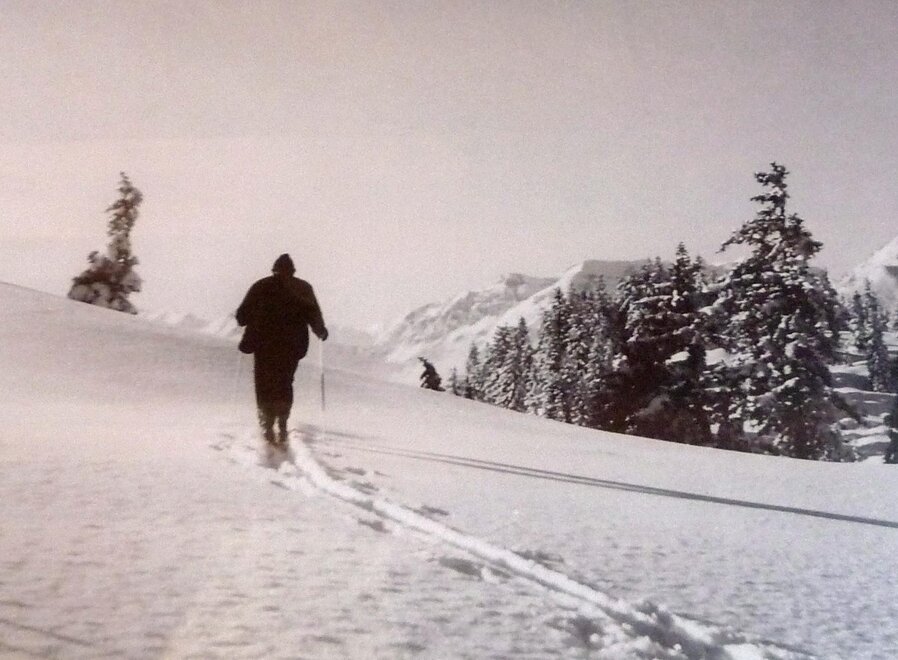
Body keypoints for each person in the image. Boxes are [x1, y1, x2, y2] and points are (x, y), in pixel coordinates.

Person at [236, 254, 328, 445]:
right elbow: (314, 314)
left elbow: (242, 316)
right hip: (291, 346)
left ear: (274, 269)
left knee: (264, 383)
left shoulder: (261, 286)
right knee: (285, 382)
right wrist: (320, 330)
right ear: (292, 270)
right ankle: (283, 421)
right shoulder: (303, 288)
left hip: (264, 344)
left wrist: (250, 320)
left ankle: (267, 423)